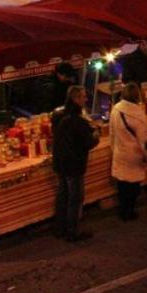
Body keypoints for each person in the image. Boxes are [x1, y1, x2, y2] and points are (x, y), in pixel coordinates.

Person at [52, 85, 98, 241]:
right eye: (83, 97)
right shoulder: (77, 120)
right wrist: (96, 135)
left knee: (63, 195)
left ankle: (60, 228)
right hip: (74, 164)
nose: (86, 99)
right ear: (76, 99)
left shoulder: (58, 116)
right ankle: (73, 231)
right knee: (75, 198)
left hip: (60, 162)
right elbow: (88, 142)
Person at [110, 81, 147, 221]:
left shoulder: (115, 109)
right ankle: (130, 211)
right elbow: (143, 138)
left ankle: (123, 211)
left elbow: (112, 133)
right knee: (133, 186)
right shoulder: (138, 113)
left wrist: (113, 149)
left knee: (122, 185)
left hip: (120, 152)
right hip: (134, 153)